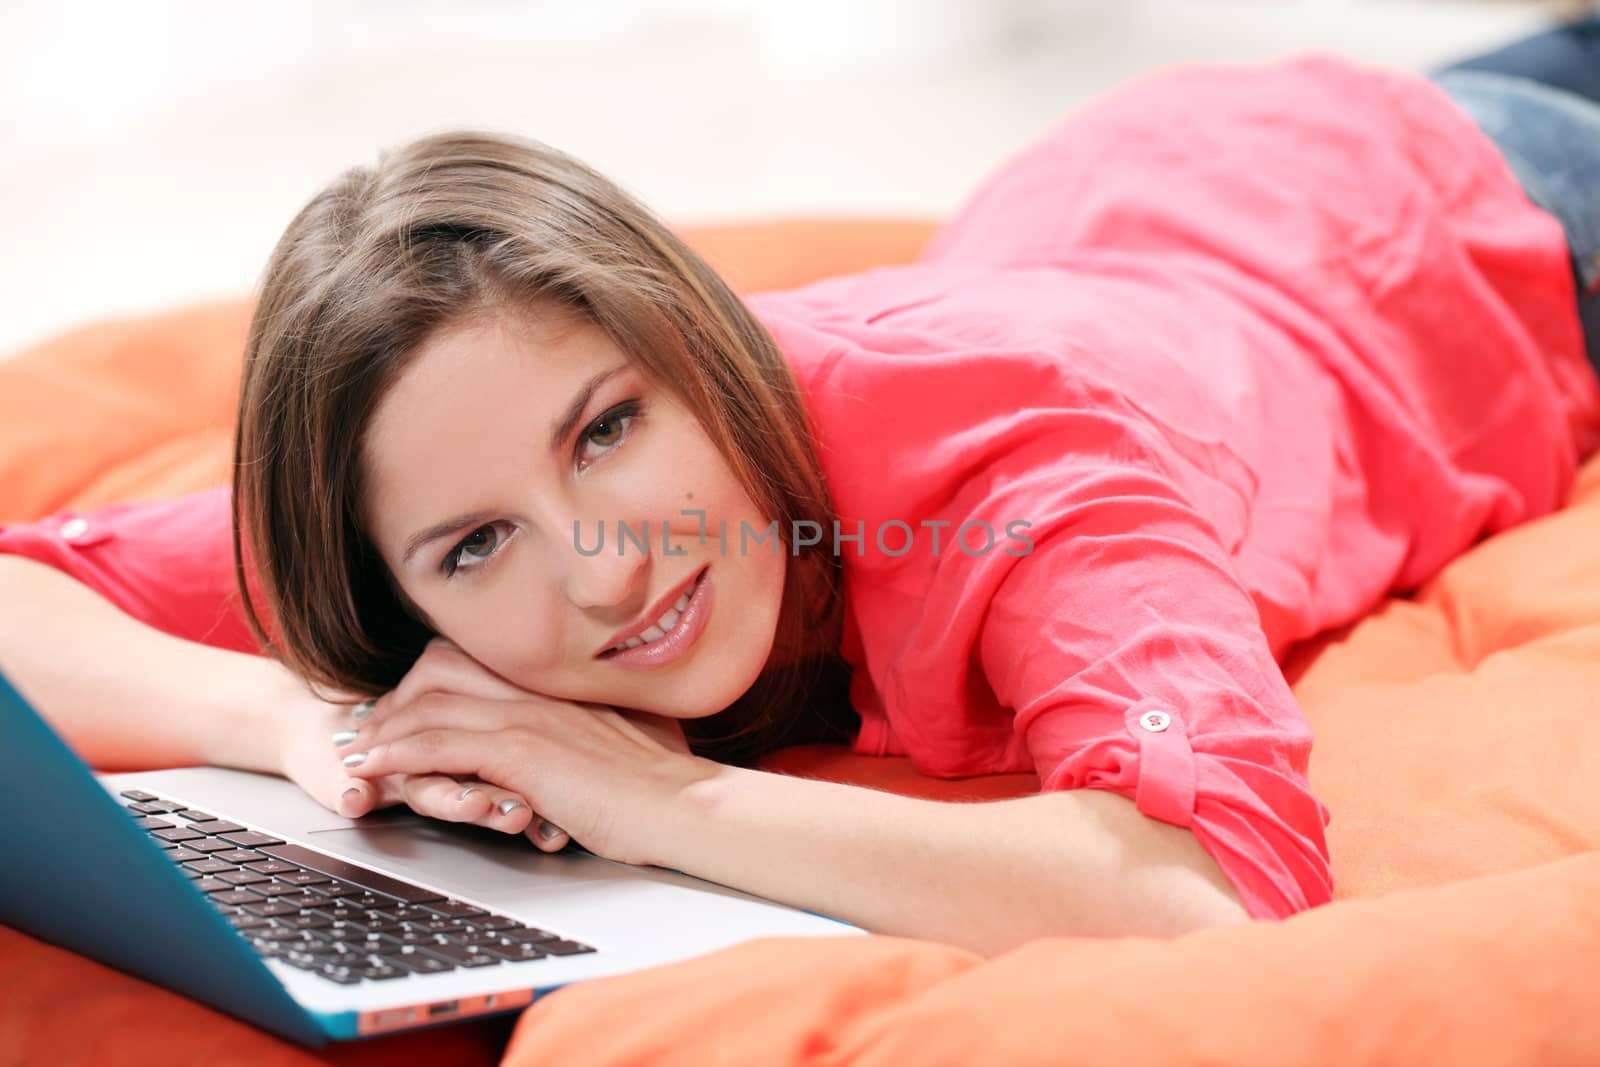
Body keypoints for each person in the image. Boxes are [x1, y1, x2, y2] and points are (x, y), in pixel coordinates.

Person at [4, 17, 1600, 956]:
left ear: (693, 346)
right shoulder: (431, 470)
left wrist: (654, 798)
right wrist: (295, 722)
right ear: (394, 580)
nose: (606, 569)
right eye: (479, 545)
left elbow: (1220, 886)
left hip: (1453, 221)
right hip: (1115, 201)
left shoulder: (1016, 460)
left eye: (609, 430)